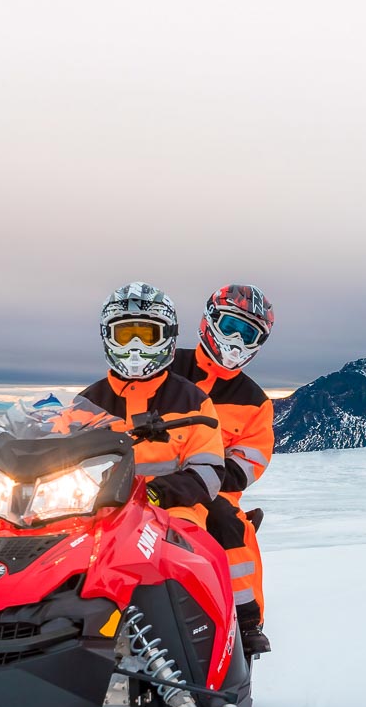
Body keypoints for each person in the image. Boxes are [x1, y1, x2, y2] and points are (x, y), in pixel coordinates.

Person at [169, 284, 276, 658]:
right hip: (140, 481)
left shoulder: (255, 402)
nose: (236, 340)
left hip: (210, 494)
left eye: (248, 333)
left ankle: (246, 623)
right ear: (210, 320)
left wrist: (202, 481)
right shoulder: (166, 368)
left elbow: (251, 459)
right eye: (231, 325)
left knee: (229, 525)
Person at [77, 282, 227, 530]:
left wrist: (156, 493)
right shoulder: (86, 404)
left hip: (175, 516)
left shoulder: (193, 401)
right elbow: (56, 461)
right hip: (95, 514)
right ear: (108, 336)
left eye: (147, 335)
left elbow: (208, 473)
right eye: (125, 335)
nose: (135, 346)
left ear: (167, 336)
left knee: (174, 562)